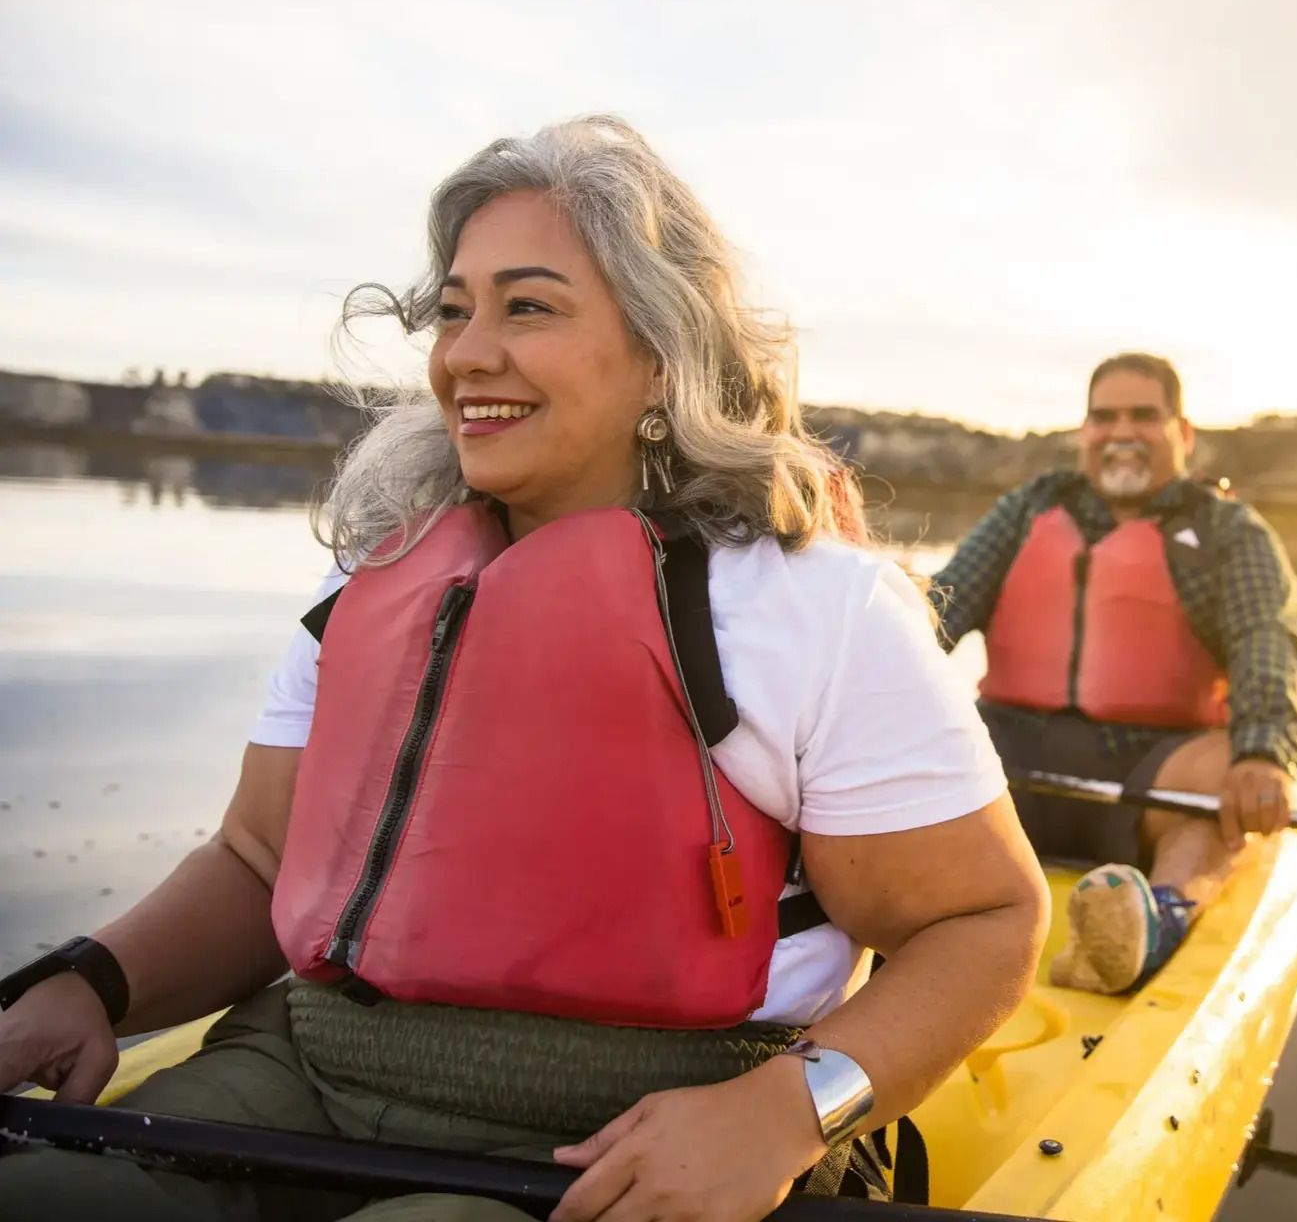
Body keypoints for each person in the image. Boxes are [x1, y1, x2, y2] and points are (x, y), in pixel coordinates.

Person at [0, 116, 1048, 1222]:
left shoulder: (812, 608)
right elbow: (259, 860)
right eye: (455, 310)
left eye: (529, 307)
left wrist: (788, 1111)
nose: (465, 353)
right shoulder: (370, 583)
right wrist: (91, 981)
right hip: (307, 1070)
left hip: (632, 1131)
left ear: (663, 353)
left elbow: (983, 921)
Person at [930, 352, 1297, 996]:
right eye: (1104, 417)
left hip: (1150, 771)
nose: (1122, 433)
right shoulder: (1029, 509)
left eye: (1144, 416)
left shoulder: (1226, 531)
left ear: (1182, 432)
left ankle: (1154, 917)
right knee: (908, 737)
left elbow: (1266, 637)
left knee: (1225, 770)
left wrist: (1264, 752)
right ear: (1085, 431)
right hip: (1007, 763)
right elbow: (941, 610)